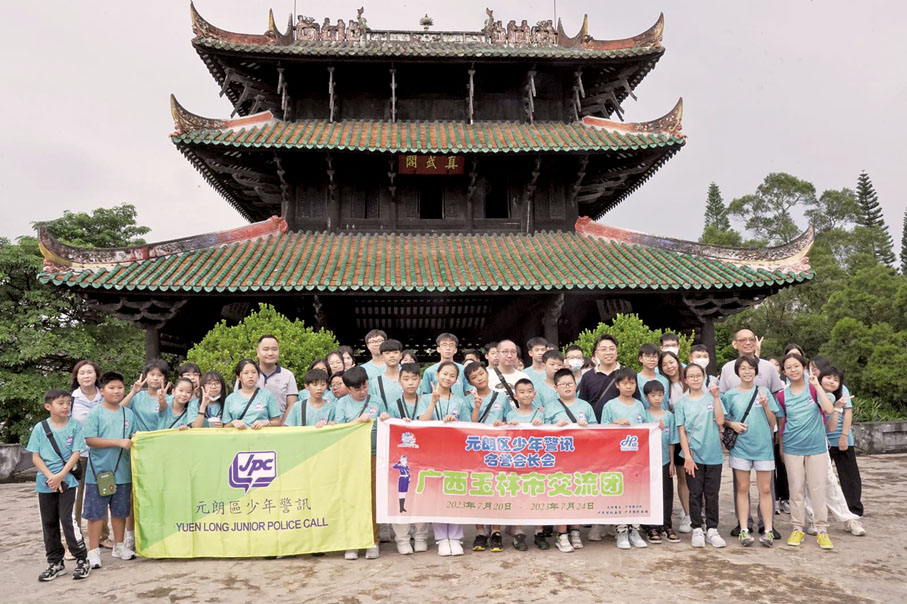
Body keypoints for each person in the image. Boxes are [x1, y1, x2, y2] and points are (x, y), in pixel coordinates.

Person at [718, 329, 785, 537]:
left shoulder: (767, 375)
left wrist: (768, 411)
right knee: (742, 486)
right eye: (742, 340)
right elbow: (722, 412)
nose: (747, 372)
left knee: (766, 488)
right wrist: (730, 424)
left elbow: (774, 413)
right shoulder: (728, 375)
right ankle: (743, 525)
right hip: (741, 444)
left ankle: (767, 526)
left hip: (763, 442)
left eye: (751, 339)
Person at [27, 388, 91, 581]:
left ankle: (82, 559)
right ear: (48, 406)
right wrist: (51, 477)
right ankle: (55, 563)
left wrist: (61, 476)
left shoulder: (74, 426)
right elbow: (35, 457)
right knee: (49, 522)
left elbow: (76, 453)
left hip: (68, 481)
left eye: (68, 403)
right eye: (60, 403)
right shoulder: (40, 428)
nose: (66, 407)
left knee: (68, 519)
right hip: (45, 483)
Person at [776, 353, 836, 549]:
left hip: (816, 448)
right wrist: (782, 448)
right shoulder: (782, 396)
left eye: (796, 366)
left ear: (804, 368)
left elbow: (828, 410)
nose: (793, 370)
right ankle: (797, 528)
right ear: (784, 372)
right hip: (792, 448)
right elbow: (782, 423)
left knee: (818, 489)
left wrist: (817, 386)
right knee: (796, 489)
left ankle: (821, 530)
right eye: (788, 367)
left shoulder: (814, 389)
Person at [83, 371, 138, 569]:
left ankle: (119, 545)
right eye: (111, 388)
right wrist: (118, 442)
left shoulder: (128, 414)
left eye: (120, 387)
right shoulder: (95, 413)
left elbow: (135, 437)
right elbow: (90, 440)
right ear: (102, 390)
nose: (116, 391)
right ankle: (93, 551)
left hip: (122, 471)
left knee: (120, 512)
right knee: (96, 513)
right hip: (99, 473)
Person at [503, 379, 563, 551]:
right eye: (522, 392)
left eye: (529, 391)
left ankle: (539, 531)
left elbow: (549, 435)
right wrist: (509, 426)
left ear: (534, 394)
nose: (526, 395)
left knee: (538, 495)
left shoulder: (541, 414)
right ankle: (519, 532)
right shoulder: (511, 415)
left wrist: (543, 426)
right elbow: (505, 436)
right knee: (518, 496)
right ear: (515, 396)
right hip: (518, 463)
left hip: (538, 462)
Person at [334, 366, 386, 560]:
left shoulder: (377, 401)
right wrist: (357, 421)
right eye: (357, 389)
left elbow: (385, 423)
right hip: (351, 458)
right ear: (348, 388)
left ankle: (373, 540)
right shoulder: (341, 404)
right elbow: (339, 430)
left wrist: (385, 418)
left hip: (373, 455)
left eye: (365, 386)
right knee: (352, 499)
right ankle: (352, 542)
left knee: (372, 500)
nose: (363, 391)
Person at [419, 361, 470, 556]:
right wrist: (433, 402)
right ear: (436, 375)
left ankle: (455, 537)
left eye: (452, 376)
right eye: (445, 374)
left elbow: (468, 427)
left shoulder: (459, 402)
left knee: (455, 492)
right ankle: (441, 537)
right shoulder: (424, 398)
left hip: (455, 453)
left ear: (456, 380)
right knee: (437, 494)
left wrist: (454, 422)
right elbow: (421, 422)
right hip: (432, 453)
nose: (447, 378)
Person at [381, 363, 431, 555]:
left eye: (414, 379)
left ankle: (420, 536)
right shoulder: (394, 405)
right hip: (401, 459)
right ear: (399, 382)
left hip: (422, 457)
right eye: (406, 379)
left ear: (420, 381)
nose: (410, 383)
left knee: (421, 496)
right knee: (399, 498)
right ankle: (402, 538)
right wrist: (387, 419)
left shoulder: (426, 401)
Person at [676, 363, 726, 548]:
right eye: (691, 376)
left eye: (698, 375)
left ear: (704, 377)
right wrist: (687, 457)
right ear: (685, 380)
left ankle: (712, 529)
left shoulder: (712, 399)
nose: (695, 379)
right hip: (693, 456)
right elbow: (681, 432)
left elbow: (720, 420)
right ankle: (697, 528)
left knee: (712, 494)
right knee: (695, 493)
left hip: (713, 454)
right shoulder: (681, 404)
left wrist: (717, 397)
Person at [545, 368, 596, 552]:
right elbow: (540, 433)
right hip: (558, 460)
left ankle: (575, 530)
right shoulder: (550, 407)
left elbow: (597, 430)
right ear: (555, 387)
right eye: (563, 384)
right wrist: (554, 427)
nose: (567, 387)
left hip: (581, 458)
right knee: (561, 494)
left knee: (578, 494)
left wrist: (586, 426)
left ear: (576, 385)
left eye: (570, 384)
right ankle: (561, 533)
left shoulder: (585, 406)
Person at [600, 367, 649, 550]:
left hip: (637, 459)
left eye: (632, 383)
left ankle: (634, 530)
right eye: (625, 383)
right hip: (617, 459)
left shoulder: (639, 405)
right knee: (620, 493)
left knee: (636, 493)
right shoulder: (610, 405)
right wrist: (614, 423)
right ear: (617, 385)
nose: (629, 386)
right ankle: (621, 531)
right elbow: (602, 430)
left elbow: (646, 429)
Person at [463, 361, 507, 552]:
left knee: (497, 489)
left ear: (487, 374)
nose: (479, 378)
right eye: (474, 377)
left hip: (497, 450)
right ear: (469, 382)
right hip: (475, 451)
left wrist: (502, 423)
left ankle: (496, 531)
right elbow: (468, 425)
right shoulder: (467, 400)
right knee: (477, 489)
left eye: (481, 374)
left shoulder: (501, 397)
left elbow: (508, 420)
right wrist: (476, 407)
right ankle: (480, 531)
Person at [817, 366, 866, 536]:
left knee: (847, 477)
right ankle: (819, 516)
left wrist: (844, 436)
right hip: (818, 442)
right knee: (820, 481)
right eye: (828, 377)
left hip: (839, 440)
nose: (831, 381)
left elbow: (847, 413)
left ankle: (852, 513)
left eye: (835, 379)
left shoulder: (842, 391)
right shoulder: (813, 392)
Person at [69, 360, 110, 549]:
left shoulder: (104, 396)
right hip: (79, 455)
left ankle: (103, 536)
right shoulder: (71, 399)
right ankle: (73, 541)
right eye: (82, 373)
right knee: (75, 499)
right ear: (76, 377)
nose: (86, 376)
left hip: (102, 453)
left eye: (90, 372)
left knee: (104, 493)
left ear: (96, 375)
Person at [642, 380, 680, 544]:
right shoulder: (643, 415)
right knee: (650, 494)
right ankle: (651, 527)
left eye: (660, 395)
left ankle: (666, 525)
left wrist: (671, 462)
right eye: (653, 395)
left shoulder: (669, 416)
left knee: (666, 494)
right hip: (648, 462)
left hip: (664, 461)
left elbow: (672, 441)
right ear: (646, 397)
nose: (657, 398)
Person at [658, 350, 689, 531]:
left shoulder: (689, 380)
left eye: (671, 362)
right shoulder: (663, 386)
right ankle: (687, 514)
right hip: (675, 434)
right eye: (664, 365)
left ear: (678, 362)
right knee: (681, 476)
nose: (669, 366)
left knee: (695, 476)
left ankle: (696, 512)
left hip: (694, 433)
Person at [578, 334, 636, 423]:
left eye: (612, 349)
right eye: (603, 349)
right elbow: (582, 404)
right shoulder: (587, 376)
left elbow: (636, 401)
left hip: (623, 426)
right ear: (596, 353)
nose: (608, 352)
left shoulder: (627, 374)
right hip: (595, 427)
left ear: (616, 351)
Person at [223, 360, 282, 429]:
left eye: (254, 372)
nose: (250, 376)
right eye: (246, 373)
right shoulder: (230, 399)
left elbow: (277, 422)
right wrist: (233, 423)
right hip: (238, 436)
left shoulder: (267, 395)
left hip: (262, 435)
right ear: (238, 377)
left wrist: (266, 423)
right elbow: (225, 427)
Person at [252, 335, 299, 417]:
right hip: (251, 423)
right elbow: (237, 401)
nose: (270, 353)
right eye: (266, 349)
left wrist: (283, 423)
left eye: (274, 349)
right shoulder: (247, 374)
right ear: (257, 352)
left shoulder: (288, 375)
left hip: (280, 423)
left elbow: (292, 405)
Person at [120, 359, 171, 433]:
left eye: (160, 375)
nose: (155, 378)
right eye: (152, 374)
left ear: (164, 379)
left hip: (159, 438)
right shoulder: (138, 396)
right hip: (138, 438)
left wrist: (162, 400)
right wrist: (133, 392)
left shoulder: (169, 399)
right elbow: (119, 410)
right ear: (146, 376)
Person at [370, 340, 404, 407]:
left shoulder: (411, 379)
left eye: (395, 352)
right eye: (387, 353)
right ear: (382, 357)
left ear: (400, 356)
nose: (392, 356)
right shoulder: (375, 383)